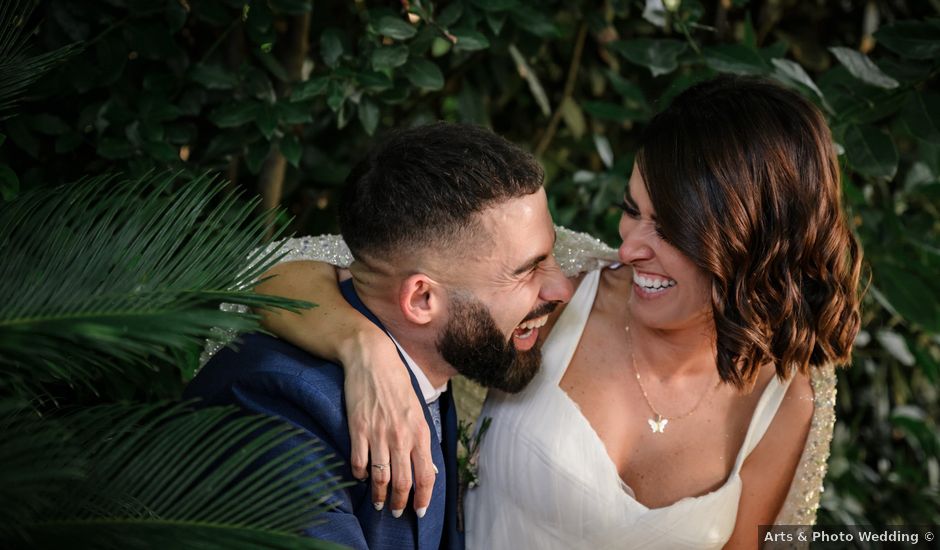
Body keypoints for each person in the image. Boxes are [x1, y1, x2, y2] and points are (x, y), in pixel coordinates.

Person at [210, 76, 863, 548]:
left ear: (753, 246)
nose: (629, 248)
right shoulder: (566, 294)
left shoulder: (786, 402)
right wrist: (363, 348)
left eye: (670, 230)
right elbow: (293, 272)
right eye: (633, 209)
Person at [186, 122, 573, 550]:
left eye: (551, 254)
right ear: (422, 299)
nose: (561, 289)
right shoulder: (277, 417)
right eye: (528, 270)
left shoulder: (425, 349)